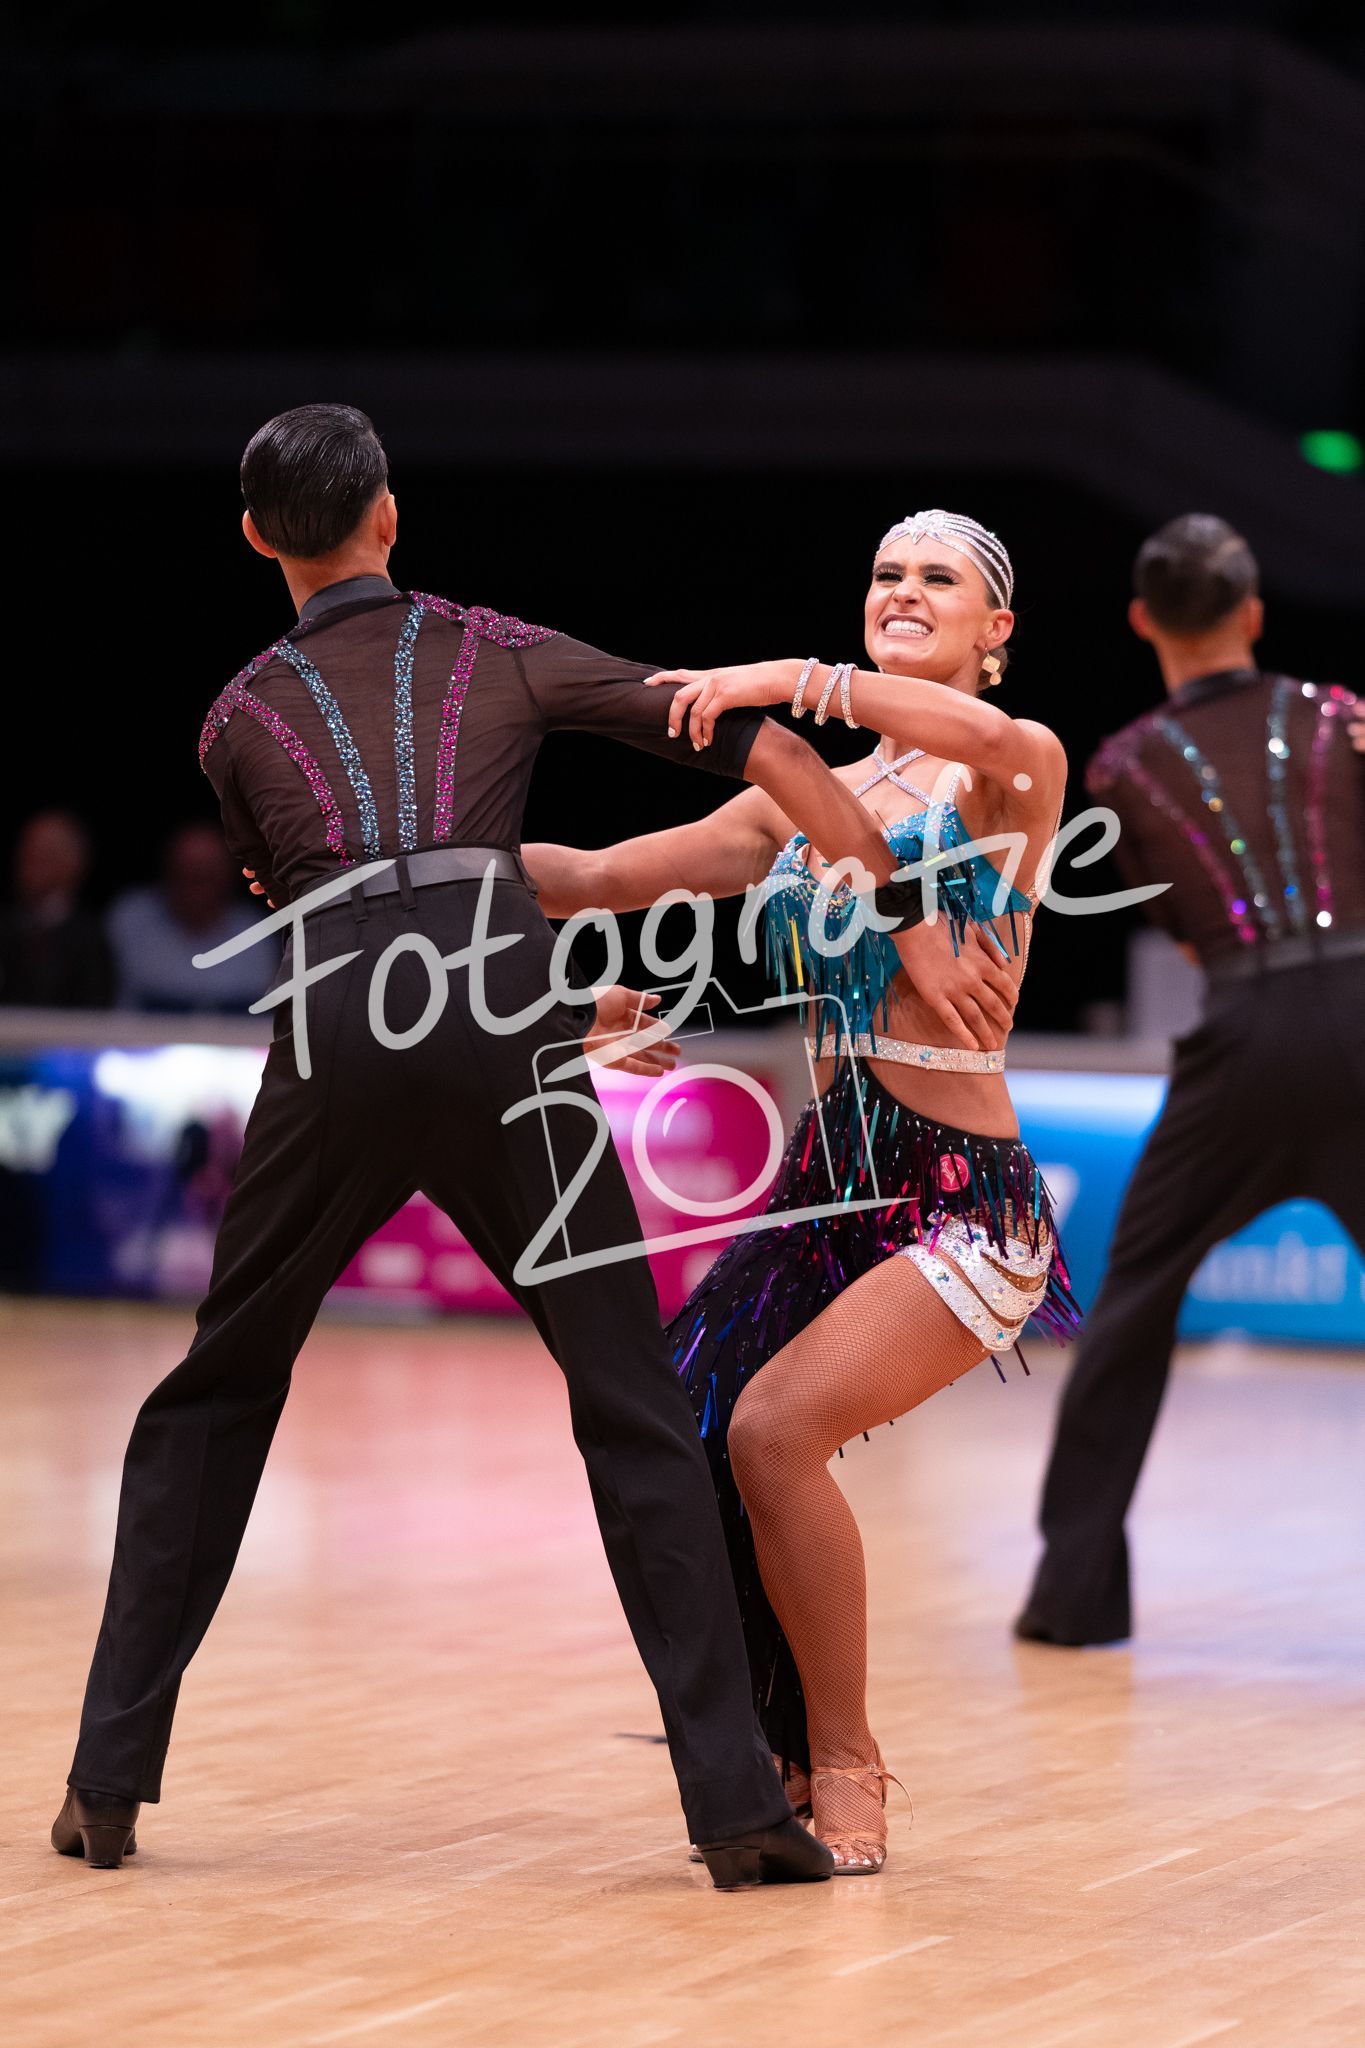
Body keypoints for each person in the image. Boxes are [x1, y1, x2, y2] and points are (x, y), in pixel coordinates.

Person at [53, 406, 996, 1890]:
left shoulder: (234, 717)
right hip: (503, 1031)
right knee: (631, 1401)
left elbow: (356, 900)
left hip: (340, 1036)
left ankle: (106, 1786)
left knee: (216, 1392)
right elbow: (747, 744)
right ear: (388, 515)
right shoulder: (492, 643)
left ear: (254, 539)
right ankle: (737, 1805)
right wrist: (896, 905)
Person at [524, 509, 1079, 1874]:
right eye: (887, 572)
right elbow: (594, 878)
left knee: (773, 1431)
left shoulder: (1009, 767)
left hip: (961, 1201)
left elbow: (988, 737)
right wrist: (385, 871)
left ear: (995, 631)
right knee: (677, 1428)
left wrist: (786, 680)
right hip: (827, 1199)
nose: (904, 590)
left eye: (938, 578)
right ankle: (762, 1740)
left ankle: (847, 1756)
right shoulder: (793, 806)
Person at [1014, 513, 1365, 1648]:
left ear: (1142, 621)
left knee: (1132, 1303)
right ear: (1252, 611)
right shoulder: (1338, 716)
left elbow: (1172, 921)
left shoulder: (1122, 766)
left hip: (1244, 1038)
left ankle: (1072, 1598)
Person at [107, 821, 274, 1013]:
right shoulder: (129, 921)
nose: (196, 887)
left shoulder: (257, 935)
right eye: (187, 873)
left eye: (206, 876)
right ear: (168, 871)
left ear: (228, 877)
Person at [0, 810, 114, 1009]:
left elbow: (93, 1011)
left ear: (74, 864)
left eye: (44, 853)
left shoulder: (90, 938)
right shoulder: (6, 926)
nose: (29, 863)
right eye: (27, 852)